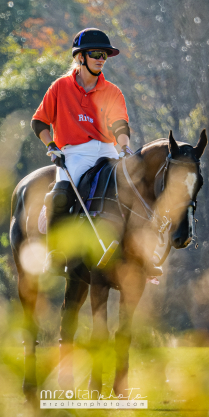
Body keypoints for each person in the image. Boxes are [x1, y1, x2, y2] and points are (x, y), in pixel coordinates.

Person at [30, 28, 133, 271]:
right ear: (80, 57)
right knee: (61, 194)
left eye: (104, 55)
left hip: (108, 150)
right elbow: (39, 122)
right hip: (74, 153)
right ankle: (55, 254)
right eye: (96, 54)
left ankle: (139, 255)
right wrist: (51, 146)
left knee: (131, 191)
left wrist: (125, 148)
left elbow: (120, 125)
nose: (101, 59)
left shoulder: (113, 91)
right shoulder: (60, 87)